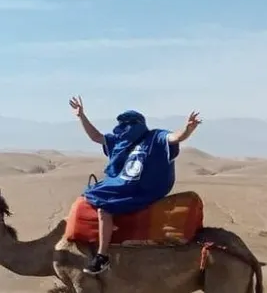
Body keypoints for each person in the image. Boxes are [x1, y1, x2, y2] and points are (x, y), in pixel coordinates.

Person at [69, 96, 202, 275]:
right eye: (124, 124)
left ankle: (102, 256)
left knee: (103, 207)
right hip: (123, 184)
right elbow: (97, 137)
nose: (127, 128)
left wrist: (188, 129)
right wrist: (81, 116)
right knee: (93, 193)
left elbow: (175, 137)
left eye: (130, 124)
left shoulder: (155, 137)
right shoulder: (121, 141)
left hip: (146, 187)